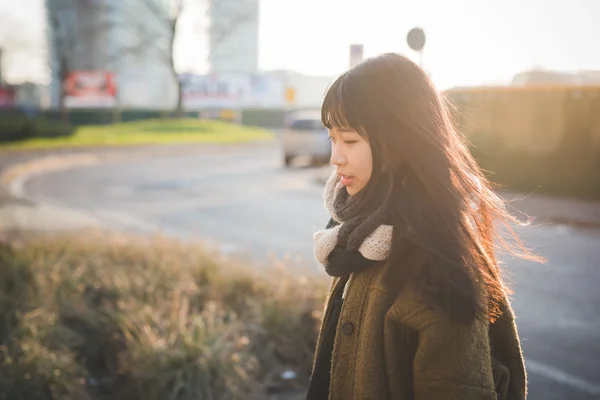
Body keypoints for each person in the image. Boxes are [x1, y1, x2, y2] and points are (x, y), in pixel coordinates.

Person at [306, 53, 542, 400]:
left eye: (350, 140)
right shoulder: (355, 240)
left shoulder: (435, 266)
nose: (335, 157)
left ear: (398, 144)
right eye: (332, 139)